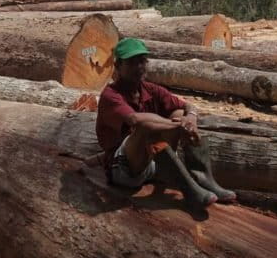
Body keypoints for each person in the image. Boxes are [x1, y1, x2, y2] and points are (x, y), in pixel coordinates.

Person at [96, 37, 236, 211]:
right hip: (124, 170)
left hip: (151, 164)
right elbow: (135, 120)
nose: (139, 67)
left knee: (178, 113)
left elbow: (187, 105)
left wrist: (190, 118)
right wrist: (178, 126)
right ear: (117, 67)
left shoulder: (150, 89)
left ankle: (201, 176)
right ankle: (188, 187)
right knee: (145, 127)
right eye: (132, 63)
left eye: (142, 61)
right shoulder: (111, 95)